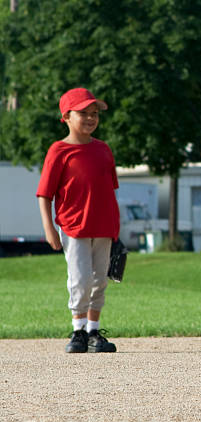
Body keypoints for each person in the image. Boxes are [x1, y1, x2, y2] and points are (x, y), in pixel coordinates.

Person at [37, 88, 120, 353]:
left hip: (104, 226)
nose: (90, 118)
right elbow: (44, 194)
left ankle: (94, 332)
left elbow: (110, 190)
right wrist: (49, 227)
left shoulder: (104, 150)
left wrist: (117, 228)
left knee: (100, 281)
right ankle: (78, 331)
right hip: (74, 226)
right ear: (66, 116)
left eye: (94, 113)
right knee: (80, 280)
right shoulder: (59, 150)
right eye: (83, 113)